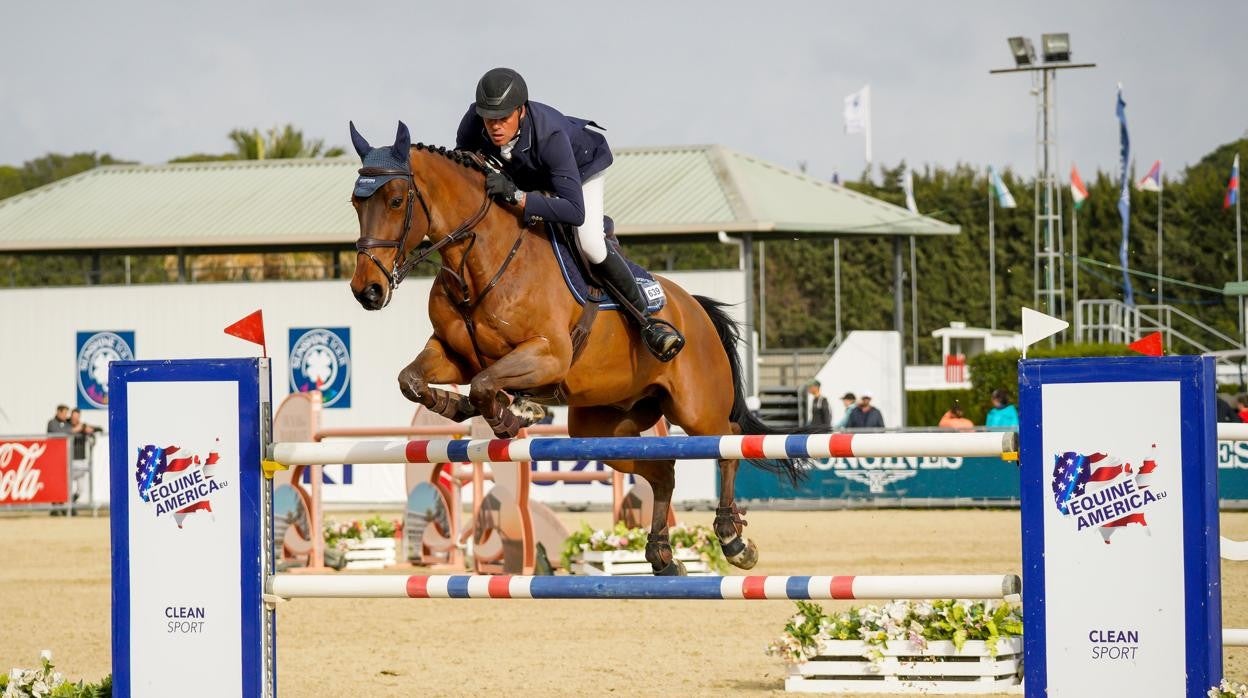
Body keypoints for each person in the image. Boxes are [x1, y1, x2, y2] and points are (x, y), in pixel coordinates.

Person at [455, 67, 684, 362]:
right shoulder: (474, 122)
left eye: (503, 119)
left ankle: (646, 321)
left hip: (579, 171)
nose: (495, 127)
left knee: (589, 241)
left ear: (521, 111)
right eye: (489, 119)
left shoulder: (550, 135)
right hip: (528, 173)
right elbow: (464, 159)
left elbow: (573, 211)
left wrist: (517, 196)